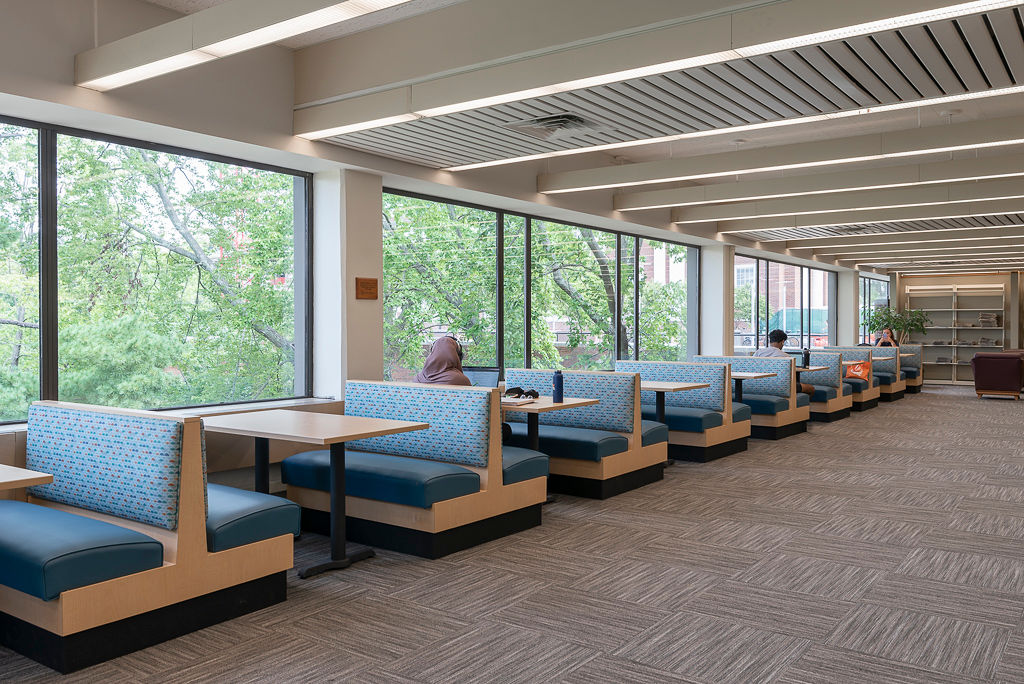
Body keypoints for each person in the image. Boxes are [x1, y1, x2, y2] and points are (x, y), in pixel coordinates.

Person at [753, 329, 814, 395]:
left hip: (758, 384)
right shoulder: (786, 357)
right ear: (782, 342)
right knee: (811, 388)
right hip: (781, 385)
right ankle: (799, 404)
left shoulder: (759, 352)